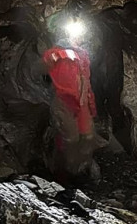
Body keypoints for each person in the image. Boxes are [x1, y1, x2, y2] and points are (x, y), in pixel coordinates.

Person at [43, 30, 100, 181]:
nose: (78, 37)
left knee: (88, 136)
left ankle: (81, 168)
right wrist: (63, 54)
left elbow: (86, 81)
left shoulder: (83, 56)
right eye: (75, 34)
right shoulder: (58, 52)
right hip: (64, 100)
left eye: (80, 34)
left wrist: (91, 106)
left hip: (82, 103)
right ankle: (61, 173)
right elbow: (47, 60)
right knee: (70, 138)